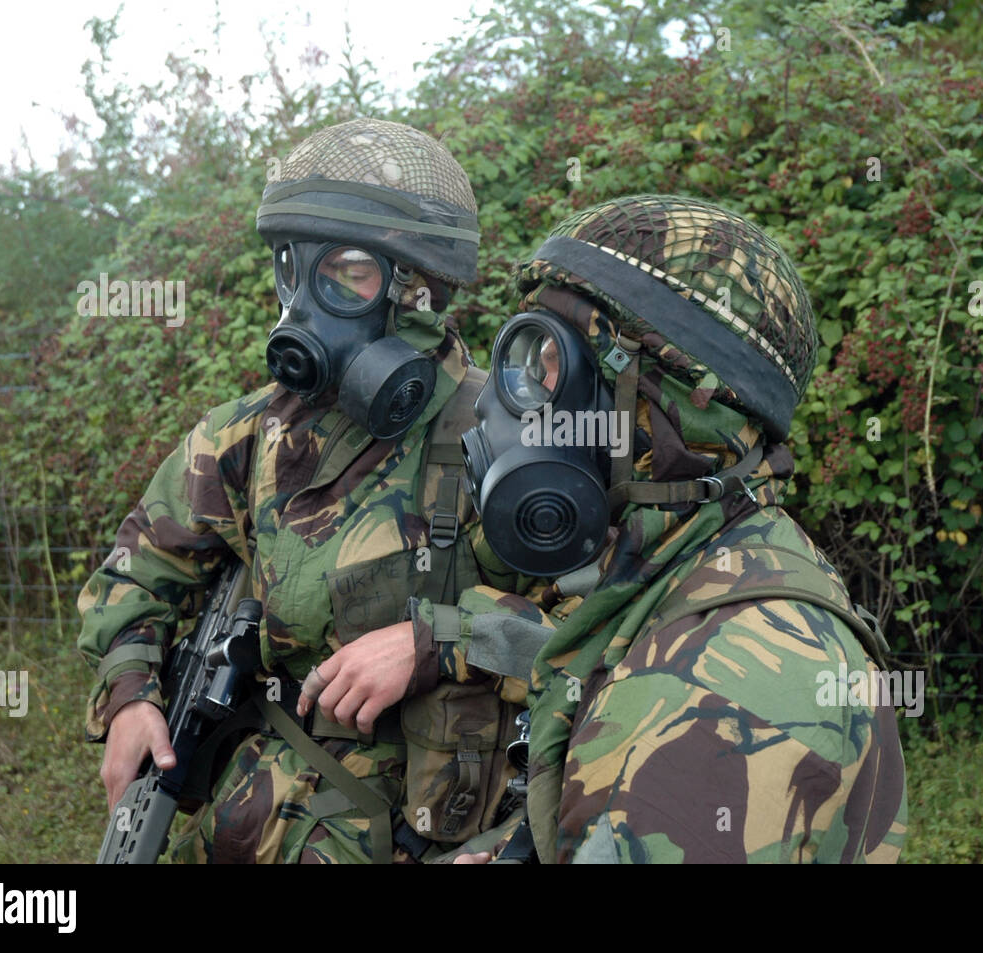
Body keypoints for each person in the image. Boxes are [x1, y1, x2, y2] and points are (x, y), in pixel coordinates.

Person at [77, 117, 532, 864]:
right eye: (294, 267)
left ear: (415, 285)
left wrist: (438, 640)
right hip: (251, 819)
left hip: (427, 833)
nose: (305, 301)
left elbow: (593, 638)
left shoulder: (501, 439)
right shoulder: (250, 436)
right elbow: (136, 571)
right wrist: (130, 695)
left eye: (345, 270)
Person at [448, 193, 909, 863]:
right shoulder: (711, 564)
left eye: (549, 361)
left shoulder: (713, 702)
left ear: (659, 411)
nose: (512, 398)